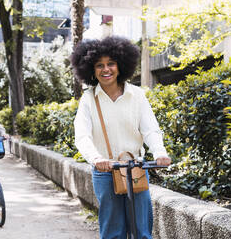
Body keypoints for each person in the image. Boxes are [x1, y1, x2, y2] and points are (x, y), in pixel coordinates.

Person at [71, 36, 171, 239]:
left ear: (120, 65)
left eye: (111, 64)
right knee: (112, 232)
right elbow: (82, 135)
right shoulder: (89, 99)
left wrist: (159, 152)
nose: (105, 69)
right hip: (106, 171)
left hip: (136, 168)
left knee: (142, 231)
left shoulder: (137, 95)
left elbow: (150, 129)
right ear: (91, 69)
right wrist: (96, 159)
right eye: (99, 65)